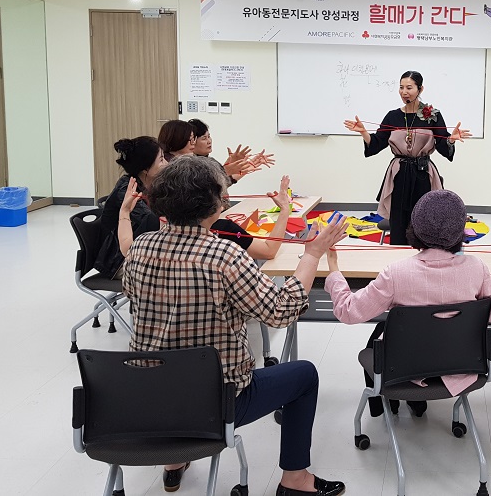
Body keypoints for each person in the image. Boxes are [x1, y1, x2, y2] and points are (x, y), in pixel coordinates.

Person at [122, 156, 349, 496]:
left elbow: (133, 295)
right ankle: (296, 479)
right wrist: (313, 255)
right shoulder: (225, 256)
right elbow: (280, 312)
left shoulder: (140, 247)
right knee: (304, 375)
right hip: (216, 403)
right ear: (214, 204)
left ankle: (173, 460)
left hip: (150, 399)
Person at [325, 189, 491, 416]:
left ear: (415, 227)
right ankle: (413, 402)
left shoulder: (396, 273)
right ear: (462, 230)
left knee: (380, 335)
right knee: (384, 329)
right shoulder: (477, 268)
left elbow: (348, 311)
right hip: (460, 365)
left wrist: (333, 266)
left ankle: (386, 404)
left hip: (406, 366)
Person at [343, 70, 471, 245]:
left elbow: (443, 145)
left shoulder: (432, 115)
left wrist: (450, 139)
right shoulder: (393, 116)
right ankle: (398, 253)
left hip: (423, 172)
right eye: (401, 87)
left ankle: (423, 254)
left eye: (409, 88)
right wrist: (364, 132)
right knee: (399, 219)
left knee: (424, 216)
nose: (404, 92)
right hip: (399, 173)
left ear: (420, 89)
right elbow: (377, 143)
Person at [118, 168, 296, 263]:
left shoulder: (142, 246)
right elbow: (268, 251)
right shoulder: (226, 248)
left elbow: (126, 246)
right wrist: (284, 211)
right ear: (211, 205)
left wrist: (124, 212)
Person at [94, 136, 167, 279]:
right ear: (145, 169)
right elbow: (152, 220)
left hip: (137, 250)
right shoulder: (127, 190)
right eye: (161, 160)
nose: (166, 163)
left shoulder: (149, 184)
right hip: (118, 261)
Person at [189, 117, 275, 182]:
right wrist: (226, 171)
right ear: (192, 141)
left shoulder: (211, 161)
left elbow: (224, 183)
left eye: (209, 136)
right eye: (204, 138)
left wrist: (245, 168)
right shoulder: (189, 166)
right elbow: (208, 187)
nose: (209, 141)